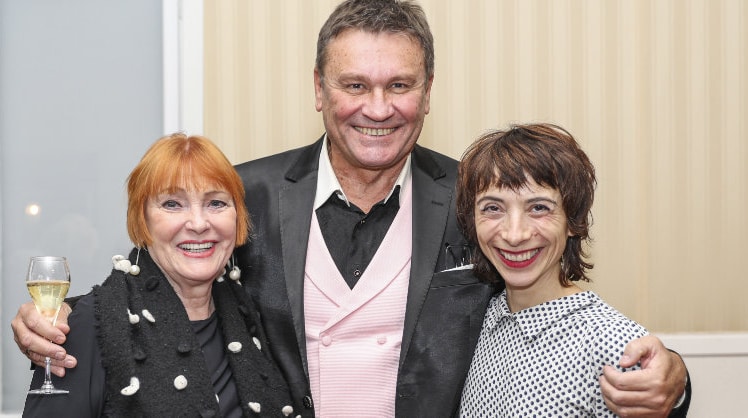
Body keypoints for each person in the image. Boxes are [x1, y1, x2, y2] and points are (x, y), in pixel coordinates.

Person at [12, 1, 690, 417]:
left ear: (427, 92)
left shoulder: (475, 203)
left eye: (400, 84)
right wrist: (53, 327)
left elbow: (550, 320)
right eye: (355, 84)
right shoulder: (243, 196)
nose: (377, 107)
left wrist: (676, 382)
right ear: (318, 88)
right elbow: (146, 286)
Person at [23, 134, 295, 417]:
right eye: (172, 204)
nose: (199, 223)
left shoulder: (256, 313)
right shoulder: (93, 324)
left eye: (216, 203)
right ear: (142, 219)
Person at [456, 123, 691, 416]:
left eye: (539, 208)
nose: (514, 234)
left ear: (572, 221)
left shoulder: (612, 343)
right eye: (493, 208)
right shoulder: (479, 319)